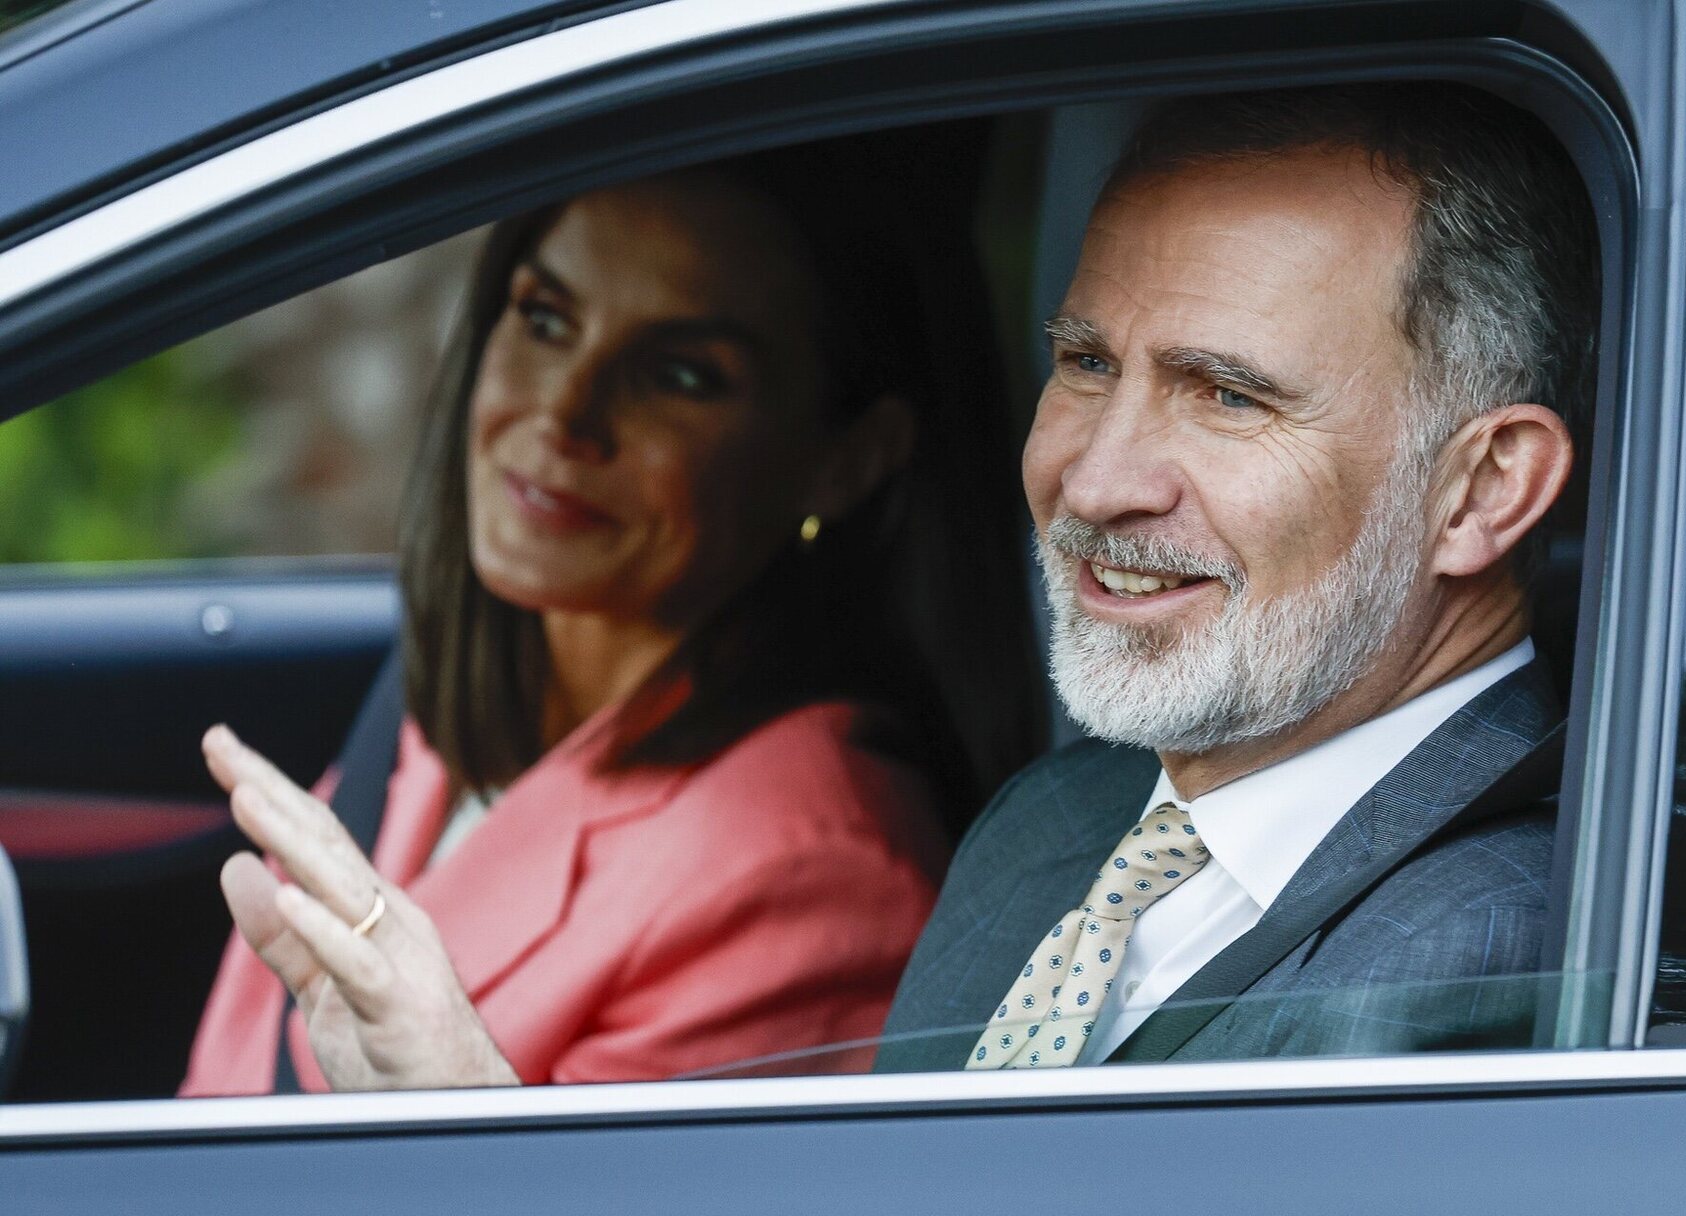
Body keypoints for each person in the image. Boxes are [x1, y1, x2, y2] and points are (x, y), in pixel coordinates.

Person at [195, 80, 1596, 1088]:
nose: (1097, 477)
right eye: (1089, 363)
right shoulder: (1066, 824)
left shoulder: (1481, 957)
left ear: (1481, 491)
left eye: (1226, 395)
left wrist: (473, 1137)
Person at [181, 139, 1040, 1093]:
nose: (563, 411)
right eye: (546, 319)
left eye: (679, 375)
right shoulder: (461, 706)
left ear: (845, 459)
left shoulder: (805, 883)